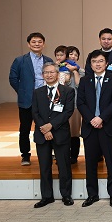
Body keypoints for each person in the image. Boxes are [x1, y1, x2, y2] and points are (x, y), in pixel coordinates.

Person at [77, 50, 112, 207]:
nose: (97, 64)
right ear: (90, 64)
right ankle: (92, 194)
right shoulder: (85, 81)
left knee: (111, 162)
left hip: (108, 127)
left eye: (100, 61)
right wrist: (92, 119)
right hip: (90, 128)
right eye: (94, 62)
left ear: (106, 63)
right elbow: (81, 103)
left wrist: (101, 118)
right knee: (90, 163)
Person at [31, 63, 75, 208]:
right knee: (44, 167)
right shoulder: (38, 92)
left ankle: (66, 195)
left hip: (60, 133)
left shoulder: (67, 91)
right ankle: (46, 196)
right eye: (46, 72)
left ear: (57, 74)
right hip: (42, 134)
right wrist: (45, 129)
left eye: (51, 72)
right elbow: (35, 113)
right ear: (42, 75)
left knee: (64, 166)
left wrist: (51, 126)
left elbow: (68, 112)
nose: (49, 75)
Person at [9, 32, 53, 166]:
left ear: (43, 44)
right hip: (27, 99)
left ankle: (47, 153)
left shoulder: (48, 60)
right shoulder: (20, 60)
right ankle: (25, 155)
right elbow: (13, 79)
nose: (37, 44)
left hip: (45, 99)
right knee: (25, 128)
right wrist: (23, 92)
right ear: (29, 44)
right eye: (34, 42)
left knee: (46, 127)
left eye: (39, 42)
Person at [65, 46, 84, 164]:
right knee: (62, 132)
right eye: (71, 54)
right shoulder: (59, 69)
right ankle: (62, 155)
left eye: (76, 55)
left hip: (75, 105)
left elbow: (80, 86)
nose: (73, 57)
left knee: (74, 132)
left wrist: (75, 71)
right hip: (61, 106)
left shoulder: (81, 71)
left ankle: (74, 156)